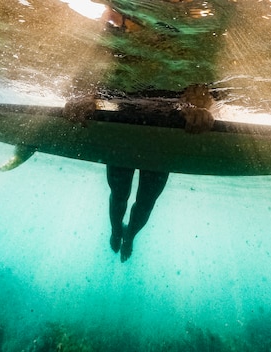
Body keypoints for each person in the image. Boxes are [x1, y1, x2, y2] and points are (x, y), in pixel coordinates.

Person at [64, 0, 234, 262]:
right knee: (119, 194)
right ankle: (115, 230)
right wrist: (84, 96)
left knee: (146, 200)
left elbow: (208, 85)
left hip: (163, 132)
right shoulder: (116, 27)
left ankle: (130, 236)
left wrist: (199, 106)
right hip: (125, 126)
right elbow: (91, 72)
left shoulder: (189, 34)